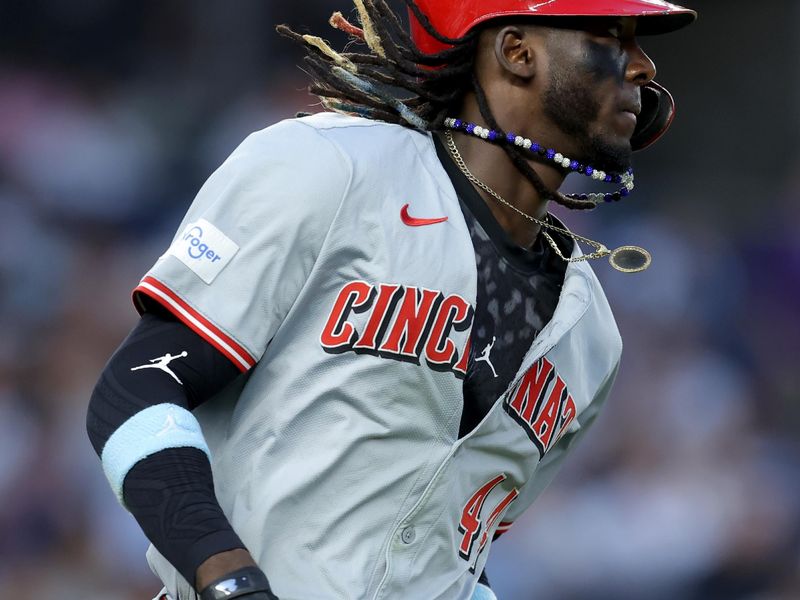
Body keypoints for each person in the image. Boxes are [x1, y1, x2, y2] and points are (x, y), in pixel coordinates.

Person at [86, 1, 696, 599]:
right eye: (612, 39)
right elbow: (132, 393)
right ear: (517, 51)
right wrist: (227, 577)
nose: (643, 67)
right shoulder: (335, 167)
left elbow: (448, 548)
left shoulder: (591, 335)